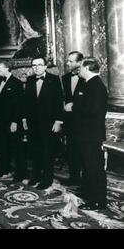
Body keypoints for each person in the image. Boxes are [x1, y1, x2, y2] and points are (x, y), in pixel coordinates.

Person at [71, 57, 107, 210]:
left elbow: (92, 110)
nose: (79, 70)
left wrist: (75, 108)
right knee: (89, 167)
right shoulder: (91, 84)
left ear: (86, 68)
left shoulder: (95, 85)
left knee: (94, 168)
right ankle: (92, 196)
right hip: (87, 134)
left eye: (81, 67)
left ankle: (97, 201)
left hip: (91, 135)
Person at [22, 57, 64, 190]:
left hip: (49, 122)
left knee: (48, 152)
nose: (36, 68)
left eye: (39, 65)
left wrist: (58, 121)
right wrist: (24, 119)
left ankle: (47, 180)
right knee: (35, 151)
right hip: (33, 123)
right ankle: (35, 177)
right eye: (34, 65)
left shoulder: (54, 79)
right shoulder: (29, 80)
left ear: (45, 66)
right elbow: (26, 102)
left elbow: (59, 101)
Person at [0, 61, 25, 181]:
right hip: (0, 121)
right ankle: (4, 171)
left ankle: (20, 174)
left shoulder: (17, 83)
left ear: (7, 68)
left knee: (15, 147)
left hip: (12, 122)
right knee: (2, 147)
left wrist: (15, 122)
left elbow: (19, 105)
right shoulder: (0, 81)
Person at [61, 51, 85, 186]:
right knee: (71, 150)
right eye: (68, 61)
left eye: (70, 61)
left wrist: (75, 105)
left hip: (83, 121)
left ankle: (85, 178)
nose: (67, 63)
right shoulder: (64, 78)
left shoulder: (87, 77)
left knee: (83, 151)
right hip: (69, 121)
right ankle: (74, 177)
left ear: (79, 62)